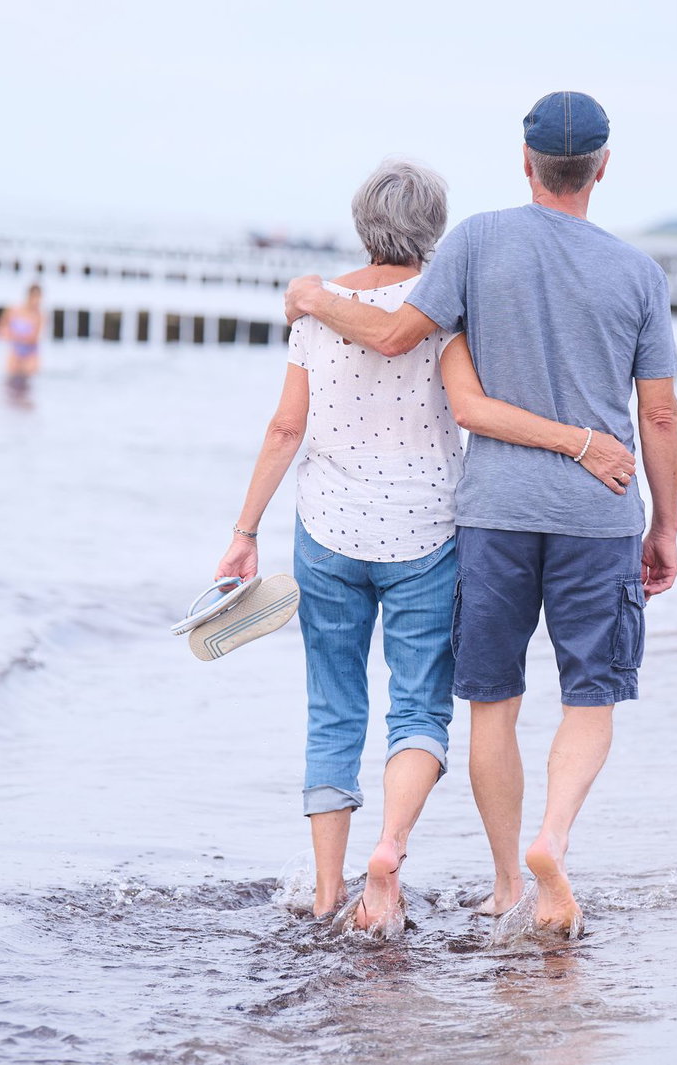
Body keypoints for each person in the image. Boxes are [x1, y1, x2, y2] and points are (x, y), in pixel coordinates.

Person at [284, 91, 677, 940]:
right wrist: (667, 525)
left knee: (491, 701)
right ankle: (553, 839)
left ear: (526, 162)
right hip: (599, 512)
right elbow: (658, 417)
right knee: (591, 695)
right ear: (602, 168)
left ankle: (507, 879)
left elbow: (393, 337)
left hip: (494, 513)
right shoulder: (639, 273)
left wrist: (315, 298)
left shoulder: (473, 241)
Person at [212, 159, 462, 932]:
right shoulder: (447, 308)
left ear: (362, 223)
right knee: (418, 704)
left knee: (333, 707)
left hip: (327, 529)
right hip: (427, 530)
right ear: (435, 228)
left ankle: (326, 893)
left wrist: (244, 531)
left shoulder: (314, 310)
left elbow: (287, 428)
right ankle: (387, 850)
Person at [0, 284, 43, 390]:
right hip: (15, 353)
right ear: (29, 296)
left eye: (39, 299)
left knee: (28, 386)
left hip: (31, 354)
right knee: (9, 386)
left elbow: (34, 338)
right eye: (35, 298)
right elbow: (1, 329)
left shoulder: (39, 315)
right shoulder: (14, 310)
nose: (37, 302)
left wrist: (14, 336)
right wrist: (11, 336)